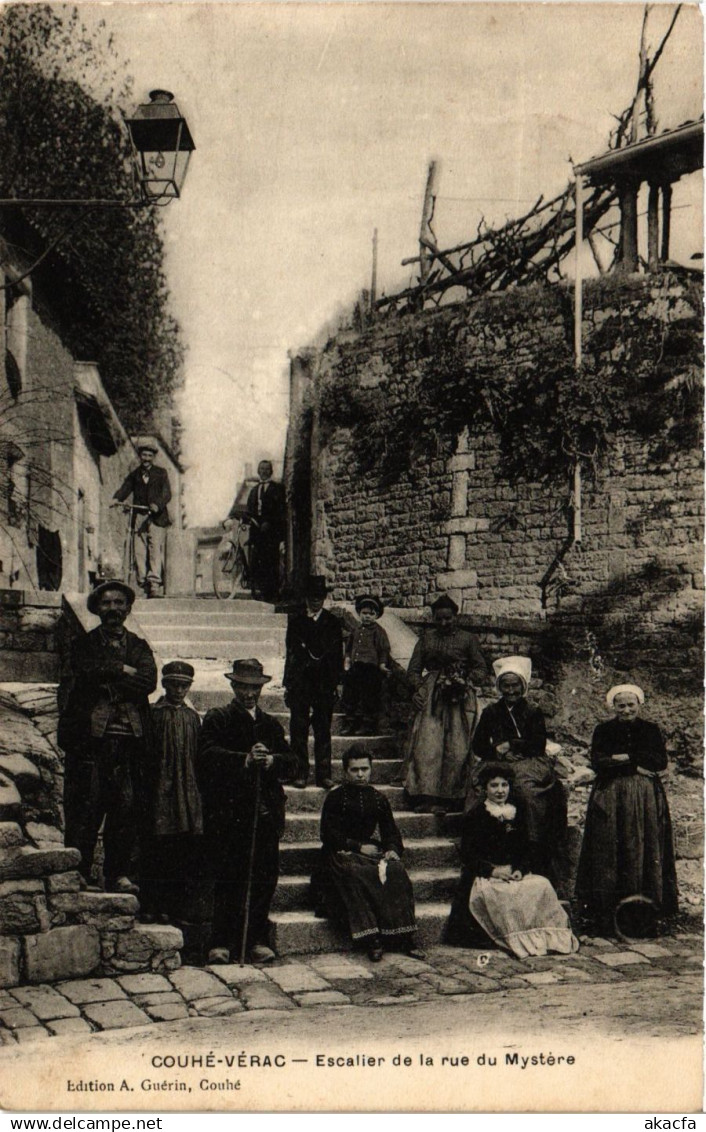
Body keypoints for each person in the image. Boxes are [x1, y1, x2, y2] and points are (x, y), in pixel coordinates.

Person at [57, 580, 157, 894]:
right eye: (107, 603)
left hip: (130, 741)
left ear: (128, 609)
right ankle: (79, 870)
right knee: (86, 806)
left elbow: (148, 681)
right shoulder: (84, 644)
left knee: (125, 808)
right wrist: (120, 669)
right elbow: (85, 671)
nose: (113, 609)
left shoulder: (139, 646)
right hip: (91, 741)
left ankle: (117, 874)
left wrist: (111, 679)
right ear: (98, 609)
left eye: (119, 603)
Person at [197, 658, 298, 964]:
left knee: (264, 879)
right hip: (228, 814)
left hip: (265, 814)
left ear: (261, 688)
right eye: (242, 686)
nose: (248, 693)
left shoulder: (269, 724)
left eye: (254, 687)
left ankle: (254, 940)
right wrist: (242, 759)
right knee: (229, 877)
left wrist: (272, 762)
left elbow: (293, 762)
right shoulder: (218, 718)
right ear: (232, 686)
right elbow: (205, 755)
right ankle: (221, 942)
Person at [575, 683, 678, 936]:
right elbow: (599, 762)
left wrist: (623, 758)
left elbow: (658, 761)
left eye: (631, 704)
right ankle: (606, 916)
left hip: (644, 799)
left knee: (641, 848)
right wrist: (635, 764)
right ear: (614, 707)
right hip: (611, 796)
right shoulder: (604, 730)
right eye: (621, 705)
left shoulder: (650, 730)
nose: (626, 709)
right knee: (610, 849)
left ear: (639, 705)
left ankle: (642, 917)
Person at [446, 763, 578, 959]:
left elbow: (526, 847)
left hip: (513, 871)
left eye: (504, 785)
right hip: (487, 873)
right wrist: (493, 871)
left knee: (542, 886)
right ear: (485, 789)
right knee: (497, 893)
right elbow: (468, 855)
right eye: (494, 786)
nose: (500, 791)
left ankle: (543, 938)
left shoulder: (517, 810)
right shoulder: (476, 815)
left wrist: (520, 869)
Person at [314, 746, 425, 962]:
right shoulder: (335, 798)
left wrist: (392, 849)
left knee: (396, 871)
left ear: (371, 769)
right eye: (354, 770)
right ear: (346, 771)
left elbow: (390, 830)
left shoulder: (379, 798)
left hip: (370, 850)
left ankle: (405, 936)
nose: (360, 774)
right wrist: (356, 846)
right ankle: (371, 938)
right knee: (354, 873)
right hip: (340, 851)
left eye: (364, 769)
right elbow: (327, 833)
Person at [471, 656, 566, 882]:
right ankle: (483, 851)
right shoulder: (491, 712)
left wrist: (513, 745)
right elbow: (478, 744)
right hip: (500, 761)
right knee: (479, 789)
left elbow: (538, 744)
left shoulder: (533, 711)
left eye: (515, 686)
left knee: (525, 791)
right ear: (499, 688)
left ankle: (532, 848)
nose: (511, 690)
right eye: (506, 686)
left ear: (523, 687)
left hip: (530, 761)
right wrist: (497, 751)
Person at [404, 594, 487, 814]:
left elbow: (481, 668)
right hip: (432, 695)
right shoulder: (426, 639)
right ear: (433, 618)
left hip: (459, 697)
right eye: (439, 619)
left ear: (455, 616)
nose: (443, 623)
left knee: (457, 747)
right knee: (427, 746)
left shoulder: (468, 639)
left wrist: (465, 681)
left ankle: (452, 798)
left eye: (448, 618)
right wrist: (418, 689)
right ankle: (425, 795)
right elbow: (412, 671)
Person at [142, 662, 203, 924]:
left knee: (181, 850)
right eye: (174, 684)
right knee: (155, 849)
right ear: (165, 685)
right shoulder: (153, 714)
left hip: (186, 792)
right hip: (159, 791)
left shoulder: (192, 718)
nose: (179, 690)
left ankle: (175, 908)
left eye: (184, 685)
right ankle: (151, 905)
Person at [284, 575, 344, 789]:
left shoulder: (332, 622)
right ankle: (300, 773)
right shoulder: (296, 621)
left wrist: (338, 683)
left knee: (322, 729)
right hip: (301, 683)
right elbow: (290, 653)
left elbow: (338, 656)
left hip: (324, 684)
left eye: (319, 597)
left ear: (325, 598)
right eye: (312, 597)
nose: (315, 601)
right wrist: (288, 683)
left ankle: (324, 774)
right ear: (306, 598)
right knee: (298, 728)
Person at [111, 440, 172, 598]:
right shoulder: (135, 474)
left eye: (149, 456)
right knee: (139, 550)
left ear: (154, 457)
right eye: (144, 455)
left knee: (154, 549)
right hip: (139, 516)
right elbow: (125, 488)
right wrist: (117, 498)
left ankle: (154, 583)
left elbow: (167, 493)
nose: (146, 458)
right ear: (140, 456)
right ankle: (142, 581)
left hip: (156, 517)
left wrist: (157, 505)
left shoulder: (161, 473)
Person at [340, 595, 391, 736]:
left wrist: (381, 664)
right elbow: (349, 649)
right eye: (364, 613)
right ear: (359, 614)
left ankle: (367, 724)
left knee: (368, 696)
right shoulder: (356, 630)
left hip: (370, 669)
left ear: (376, 615)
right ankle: (350, 722)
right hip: (356, 667)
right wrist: (347, 661)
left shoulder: (379, 632)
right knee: (350, 694)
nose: (367, 617)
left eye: (371, 614)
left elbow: (384, 649)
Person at [246, 459, 286, 603]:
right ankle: (262, 592)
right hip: (257, 533)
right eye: (261, 469)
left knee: (271, 562)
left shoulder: (277, 488)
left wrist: (269, 523)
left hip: (271, 534)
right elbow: (250, 510)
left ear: (271, 471)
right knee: (259, 562)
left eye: (266, 469)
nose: (264, 471)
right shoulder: (254, 490)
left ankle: (273, 593)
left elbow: (280, 510)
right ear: (258, 471)